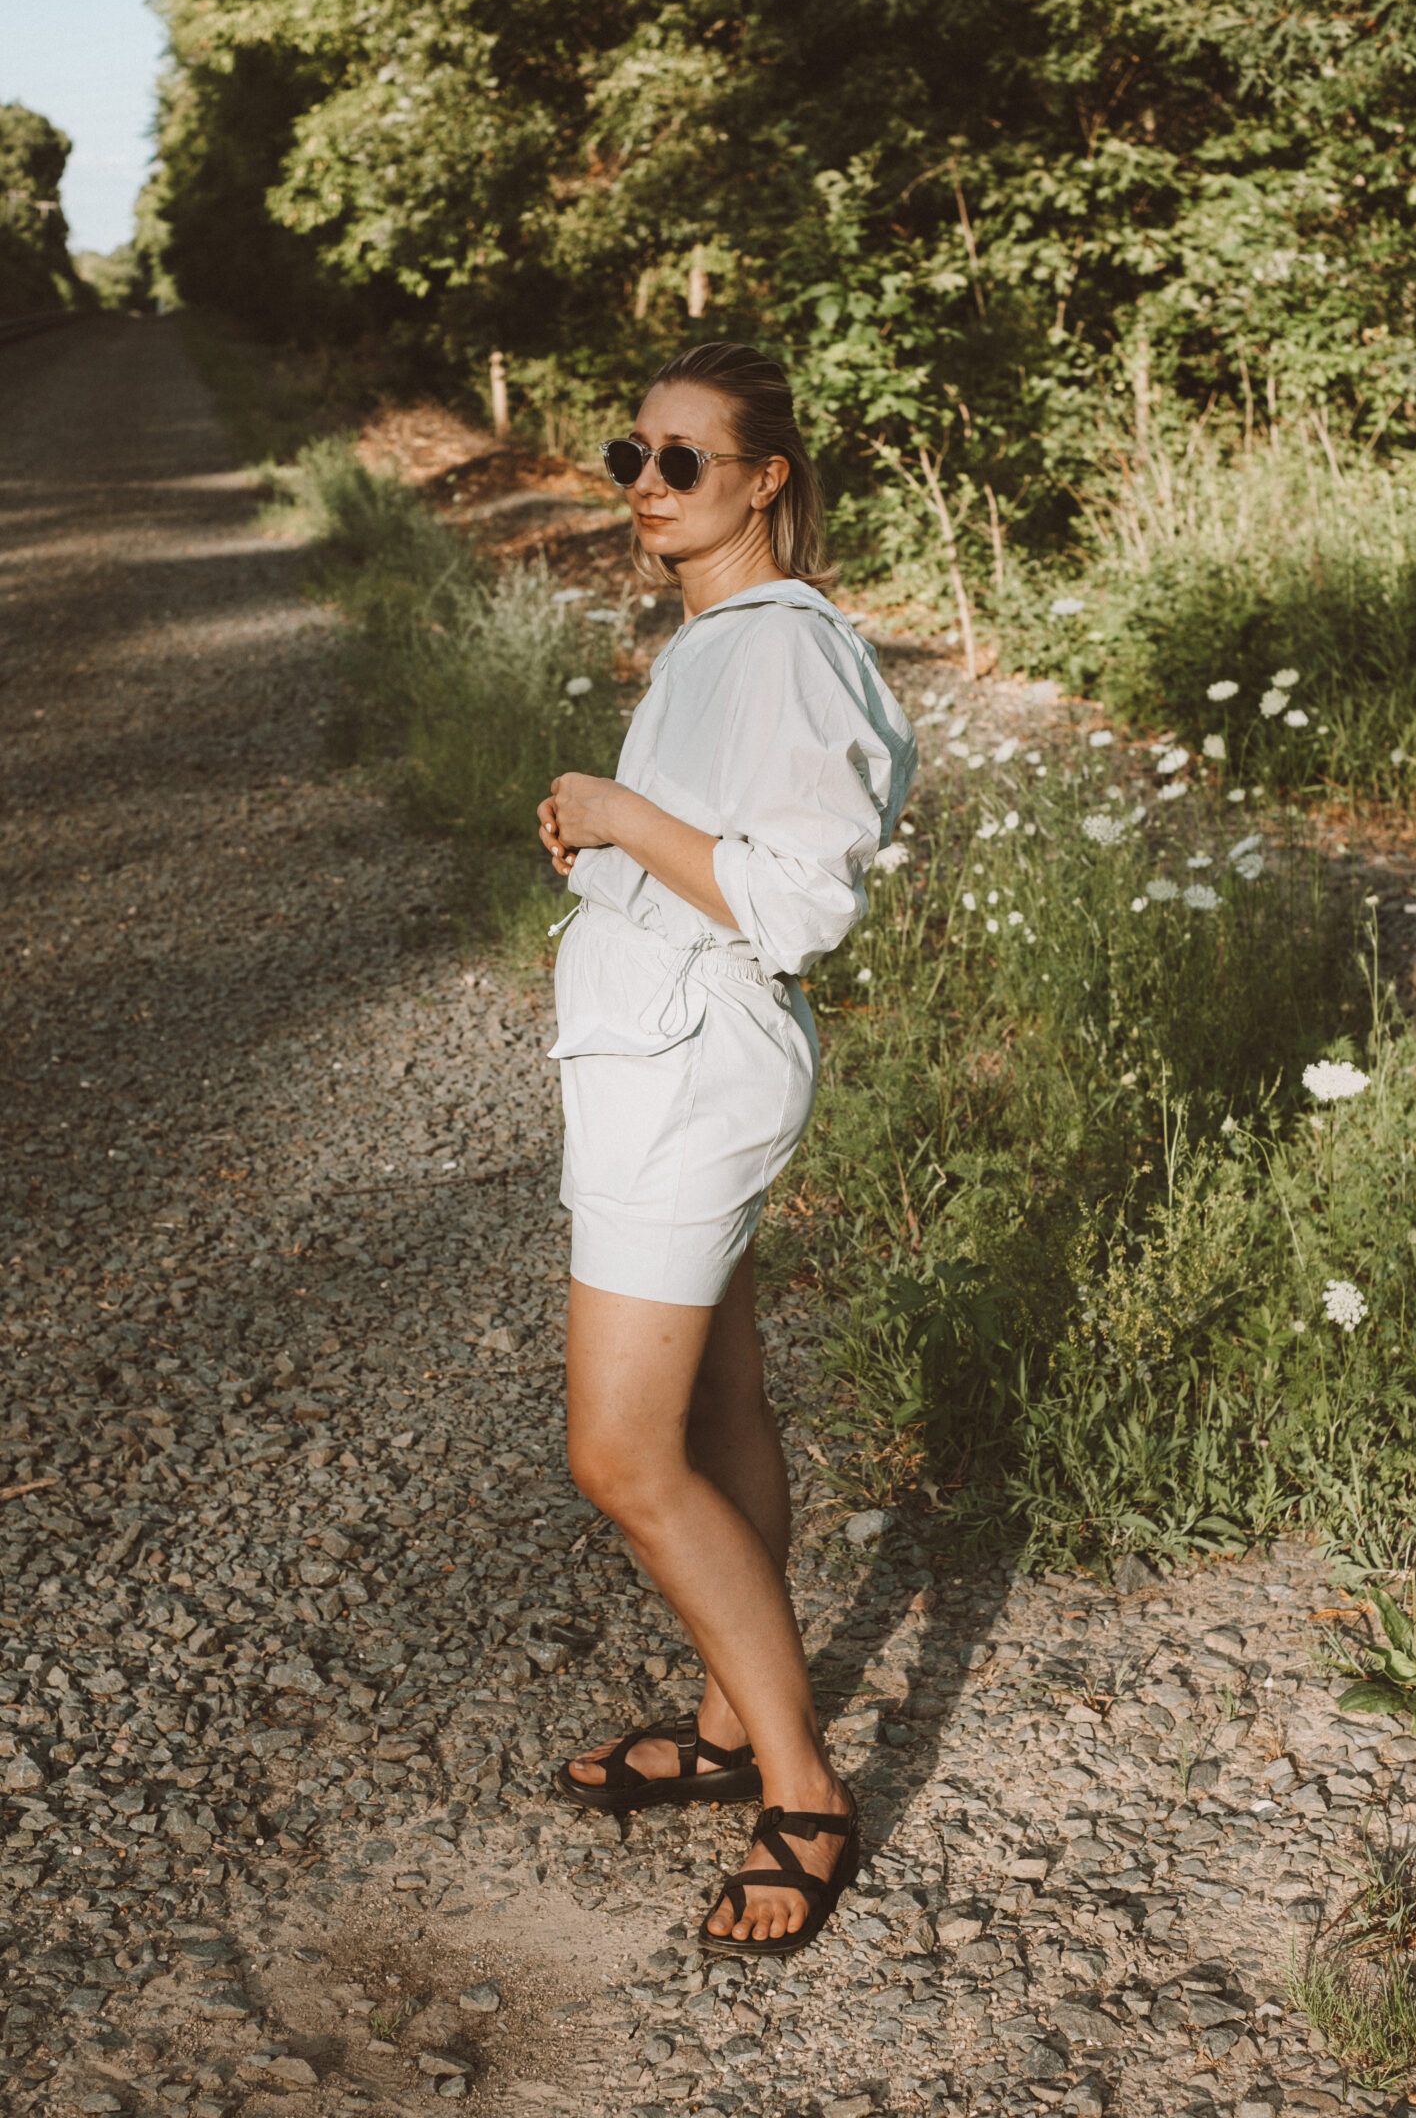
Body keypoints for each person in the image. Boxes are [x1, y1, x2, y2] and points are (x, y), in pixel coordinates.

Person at [535, 341, 915, 1957]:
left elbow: (805, 898)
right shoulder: (716, 639)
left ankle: (805, 1792)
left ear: (766, 478)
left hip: (689, 1075)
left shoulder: (778, 649)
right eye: (634, 450)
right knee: (724, 1402)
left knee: (620, 1456)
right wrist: (610, 831)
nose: (645, 480)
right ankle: (717, 1720)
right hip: (662, 1061)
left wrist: (619, 821)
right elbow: (728, 851)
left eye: (684, 459)